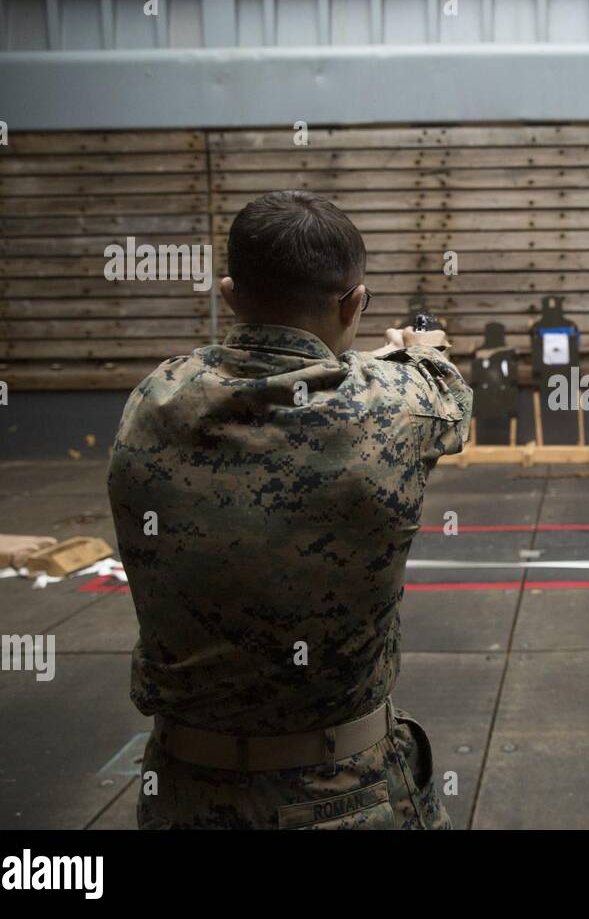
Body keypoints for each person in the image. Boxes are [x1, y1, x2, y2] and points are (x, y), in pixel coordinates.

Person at [108, 190, 470, 829]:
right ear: (354, 303)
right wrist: (418, 347)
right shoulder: (396, 404)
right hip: (344, 795)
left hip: (183, 792)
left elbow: (270, 388)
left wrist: (367, 364)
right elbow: (444, 392)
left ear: (228, 294)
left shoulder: (156, 397)